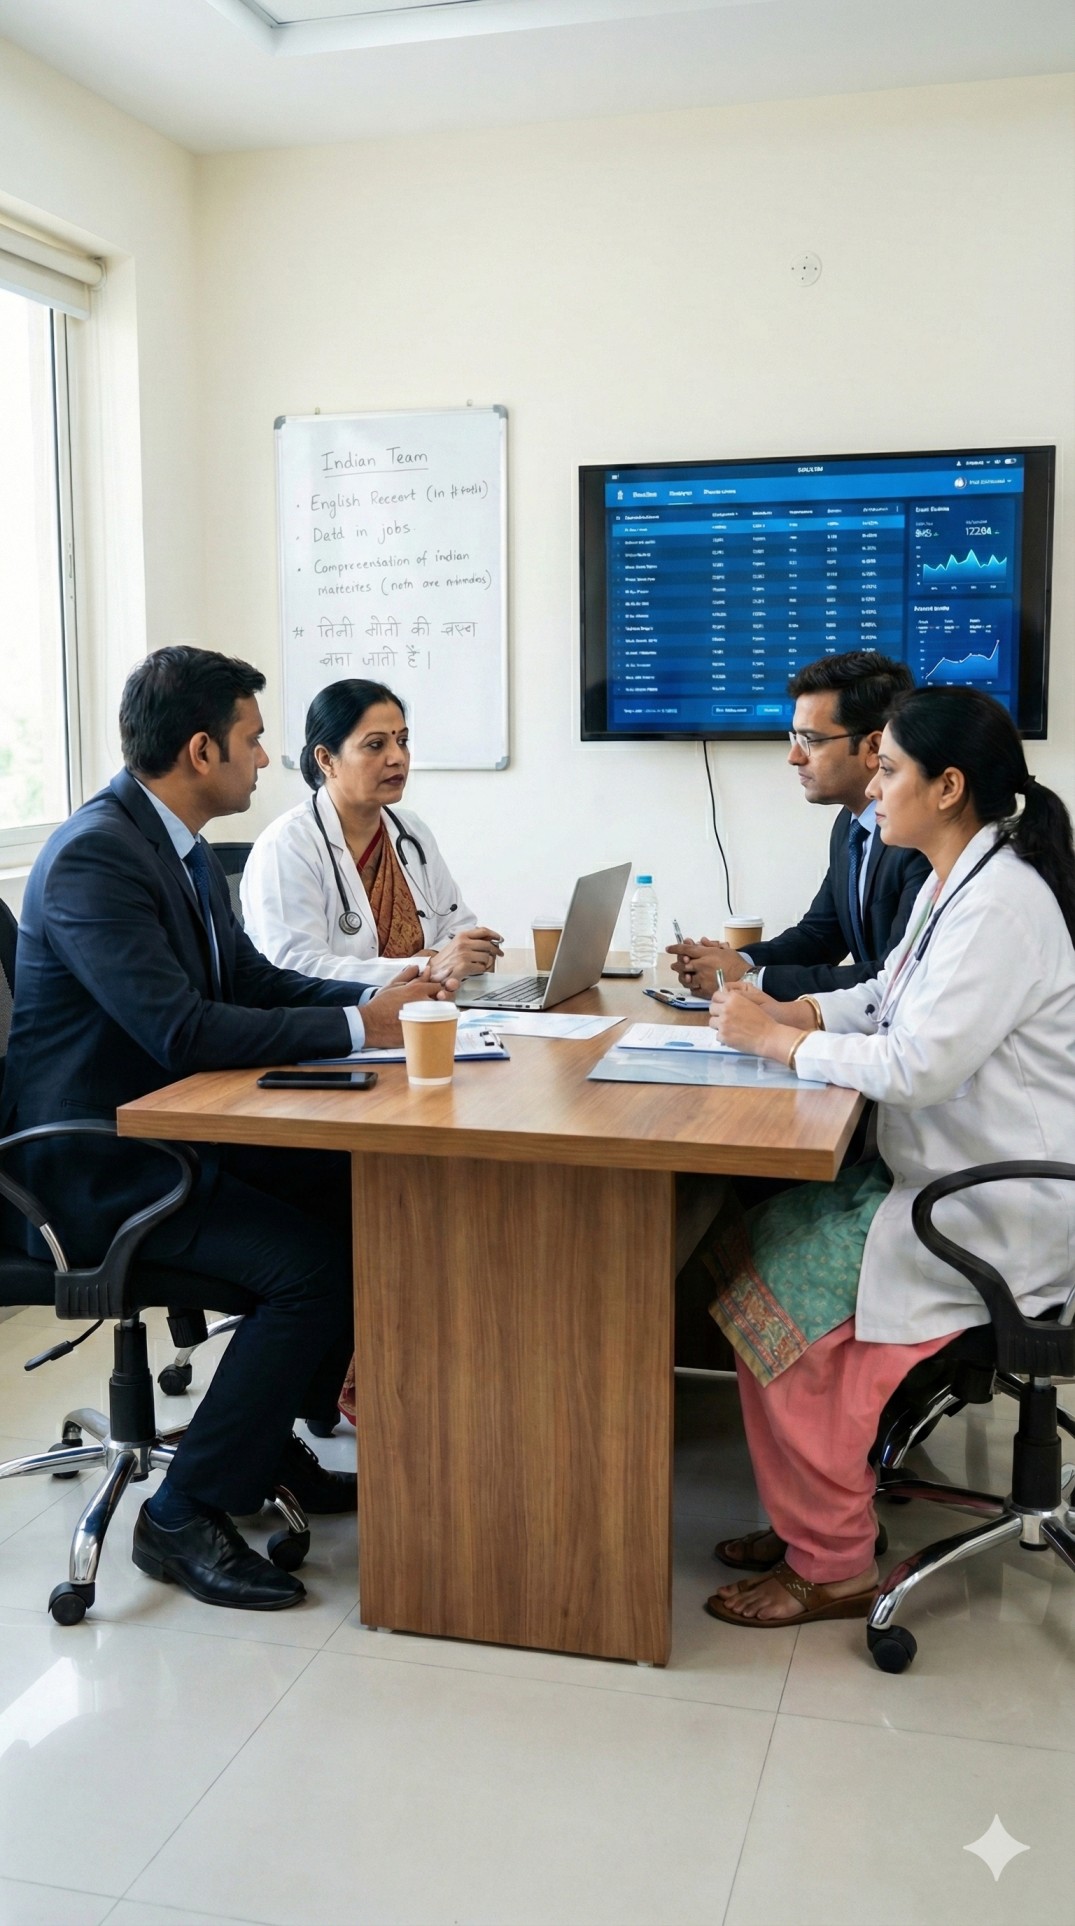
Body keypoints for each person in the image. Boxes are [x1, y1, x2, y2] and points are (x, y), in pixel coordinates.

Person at [1, 646, 452, 1613]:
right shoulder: (94, 857)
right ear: (201, 749)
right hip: (95, 1166)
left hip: (176, 1135)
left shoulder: (174, 845)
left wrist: (374, 1002)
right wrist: (355, 1026)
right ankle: (183, 1512)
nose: (263, 760)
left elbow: (244, 984)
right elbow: (178, 1026)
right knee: (315, 1266)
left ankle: (258, 1443)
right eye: (251, 741)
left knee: (358, 1193)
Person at [701, 685, 1075, 1628]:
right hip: (944, 1177)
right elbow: (885, 995)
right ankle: (809, 1518)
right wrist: (795, 1012)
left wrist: (775, 1045)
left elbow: (913, 1063)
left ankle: (828, 1558)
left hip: (994, 1208)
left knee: (781, 1305)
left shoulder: (999, 906)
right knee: (749, 1244)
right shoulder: (962, 876)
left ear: (947, 786)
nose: (873, 783)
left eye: (891, 769)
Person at [668, 651, 930, 999]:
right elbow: (819, 937)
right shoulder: (850, 826)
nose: (794, 756)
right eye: (794, 738)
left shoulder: (922, 837)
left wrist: (750, 978)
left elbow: (894, 976)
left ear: (874, 746)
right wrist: (734, 959)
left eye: (811, 740)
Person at [242, 679, 503, 986]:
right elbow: (297, 968)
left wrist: (456, 956)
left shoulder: (411, 832)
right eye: (376, 745)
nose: (397, 758)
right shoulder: (288, 845)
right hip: (338, 1025)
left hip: (426, 1012)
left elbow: (459, 928)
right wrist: (427, 966)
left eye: (402, 741)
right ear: (326, 759)